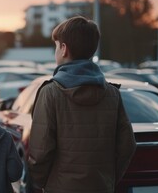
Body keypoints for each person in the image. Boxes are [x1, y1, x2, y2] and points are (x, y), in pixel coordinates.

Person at [27, 16, 136, 193]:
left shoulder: (51, 92)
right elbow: (127, 146)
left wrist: (43, 182)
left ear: (63, 49)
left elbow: (40, 152)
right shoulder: (112, 93)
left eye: (56, 46)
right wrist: (109, 178)